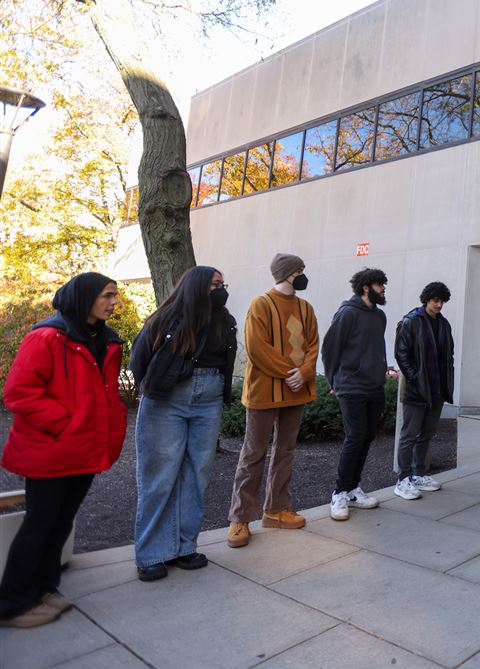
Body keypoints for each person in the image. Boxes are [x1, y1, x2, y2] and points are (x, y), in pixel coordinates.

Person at [0, 273, 126, 627]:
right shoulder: (46, 338)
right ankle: (11, 604)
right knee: (39, 525)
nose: (114, 301)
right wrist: (65, 424)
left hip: (84, 451)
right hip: (50, 452)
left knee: (60, 524)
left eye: (115, 295)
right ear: (85, 297)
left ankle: (43, 588)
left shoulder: (105, 340)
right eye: (107, 295)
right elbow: (19, 392)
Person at [131, 266, 237, 581]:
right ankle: (151, 554)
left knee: (196, 475)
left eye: (223, 283)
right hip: (167, 400)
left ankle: (183, 547)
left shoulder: (225, 321)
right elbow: (139, 362)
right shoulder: (165, 319)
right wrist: (156, 391)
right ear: (196, 287)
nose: (221, 289)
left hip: (209, 399)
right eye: (215, 284)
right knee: (160, 477)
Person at [227, 253, 319, 548]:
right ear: (288, 273)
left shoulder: (306, 308)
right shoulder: (261, 304)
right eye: (300, 270)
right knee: (253, 454)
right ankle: (240, 518)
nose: (304, 274)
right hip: (264, 391)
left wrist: (304, 373)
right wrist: (290, 373)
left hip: (296, 390)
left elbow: (314, 345)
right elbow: (257, 347)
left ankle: (277, 509)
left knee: (286, 451)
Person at [322, 268, 395, 521]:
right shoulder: (347, 313)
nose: (384, 288)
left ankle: (353, 489)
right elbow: (330, 349)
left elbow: (373, 348)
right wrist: (334, 381)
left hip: (374, 387)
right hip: (350, 386)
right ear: (366, 287)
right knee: (355, 437)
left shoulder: (379, 316)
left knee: (366, 437)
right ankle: (339, 493)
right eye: (379, 284)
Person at [393, 281, 454, 500]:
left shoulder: (444, 324)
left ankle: (419, 473)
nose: (439, 305)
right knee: (409, 435)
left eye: (442, 301)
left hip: (437, 389)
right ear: (426, 299)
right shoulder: (411, 321)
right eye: (435, 300)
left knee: (427, 433)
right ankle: (403, 479)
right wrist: (416, 378)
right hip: (416, 389)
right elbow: (401, 354)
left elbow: (449, 356)